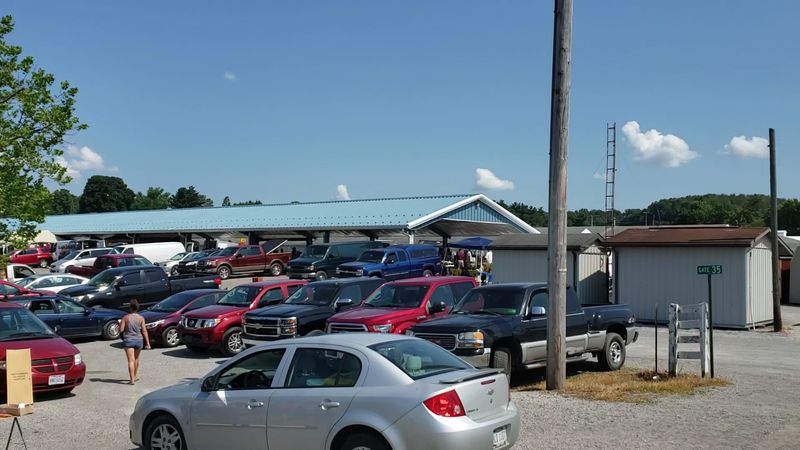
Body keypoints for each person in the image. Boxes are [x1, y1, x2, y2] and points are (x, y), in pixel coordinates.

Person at [119, 299, 150, 385]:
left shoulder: (126, 317)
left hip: (129, 340)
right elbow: (144, 331)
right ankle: (135, 376)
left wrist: (120, 324)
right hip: (139, 340)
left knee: (130, 360)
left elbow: (121, 330)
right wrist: (148, 343)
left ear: (130, 307)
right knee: (136, 359)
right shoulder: (141, 318)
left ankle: (132, 380)